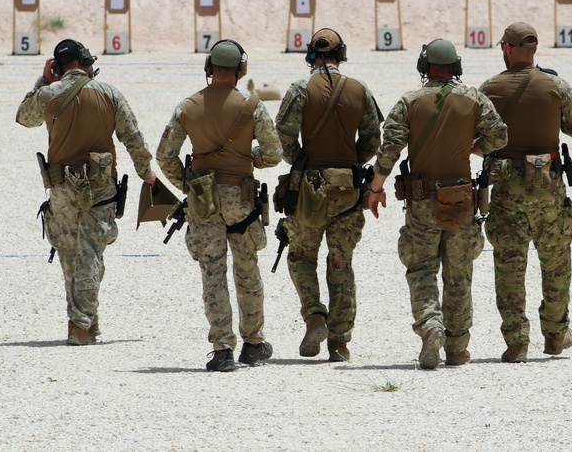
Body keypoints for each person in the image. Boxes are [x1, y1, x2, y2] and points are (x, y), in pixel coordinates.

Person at [368, 39, 507, 369]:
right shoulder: (474, 97)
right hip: (461, 198)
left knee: (421, 268)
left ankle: (431, 326)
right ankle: (457, 348)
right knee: (459, 272)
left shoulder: (409, 101)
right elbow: (499, 137)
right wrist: (471, 149)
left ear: (424, 66)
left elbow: (390, 150)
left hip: (421, 200)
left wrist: (376, 189)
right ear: (456, 67)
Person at [16, 39, 156, 346]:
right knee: (90, 253)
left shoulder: (48, 94)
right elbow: (133, 137)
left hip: (62, 188)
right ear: (85, 61)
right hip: (98, 187)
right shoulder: (108, 93)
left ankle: (86, 321)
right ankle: (81, 324)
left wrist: (44, 80)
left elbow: (24, 118)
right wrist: (147, 173)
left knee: (69, 254)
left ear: (58, 66)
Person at [156, 40, 282, 372]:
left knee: (213, 272)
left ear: (209, 68)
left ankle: (222, 347)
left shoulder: (187, 106)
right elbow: (272, 154)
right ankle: (253, 343)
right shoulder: (252, 106)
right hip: (241, 199)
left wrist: (189, 184)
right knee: (247, 269)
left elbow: (164, 157)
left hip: (203, 200)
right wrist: (247, 159)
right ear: (241, 70)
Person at [478, 22, 572, 362]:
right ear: (534, 49)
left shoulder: (489, 87)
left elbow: (476, 140)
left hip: (505, 188)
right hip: (547, 188)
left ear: (509, 48)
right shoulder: (554, 85)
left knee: (509, 264)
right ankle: (556, 334)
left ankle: (517, 341)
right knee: (556, 261)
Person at [274, 28, 382, 362]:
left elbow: (284, 136)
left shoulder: (299, 89)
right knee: (341, 263)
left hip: (308, 188)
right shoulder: (359, 89)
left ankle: (314, 315)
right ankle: (340, 342)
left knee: (301, 256)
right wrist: (351, 162)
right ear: (342, 54)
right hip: (348, 187)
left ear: (311, 54)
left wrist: (301, 161)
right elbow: (372, 139)